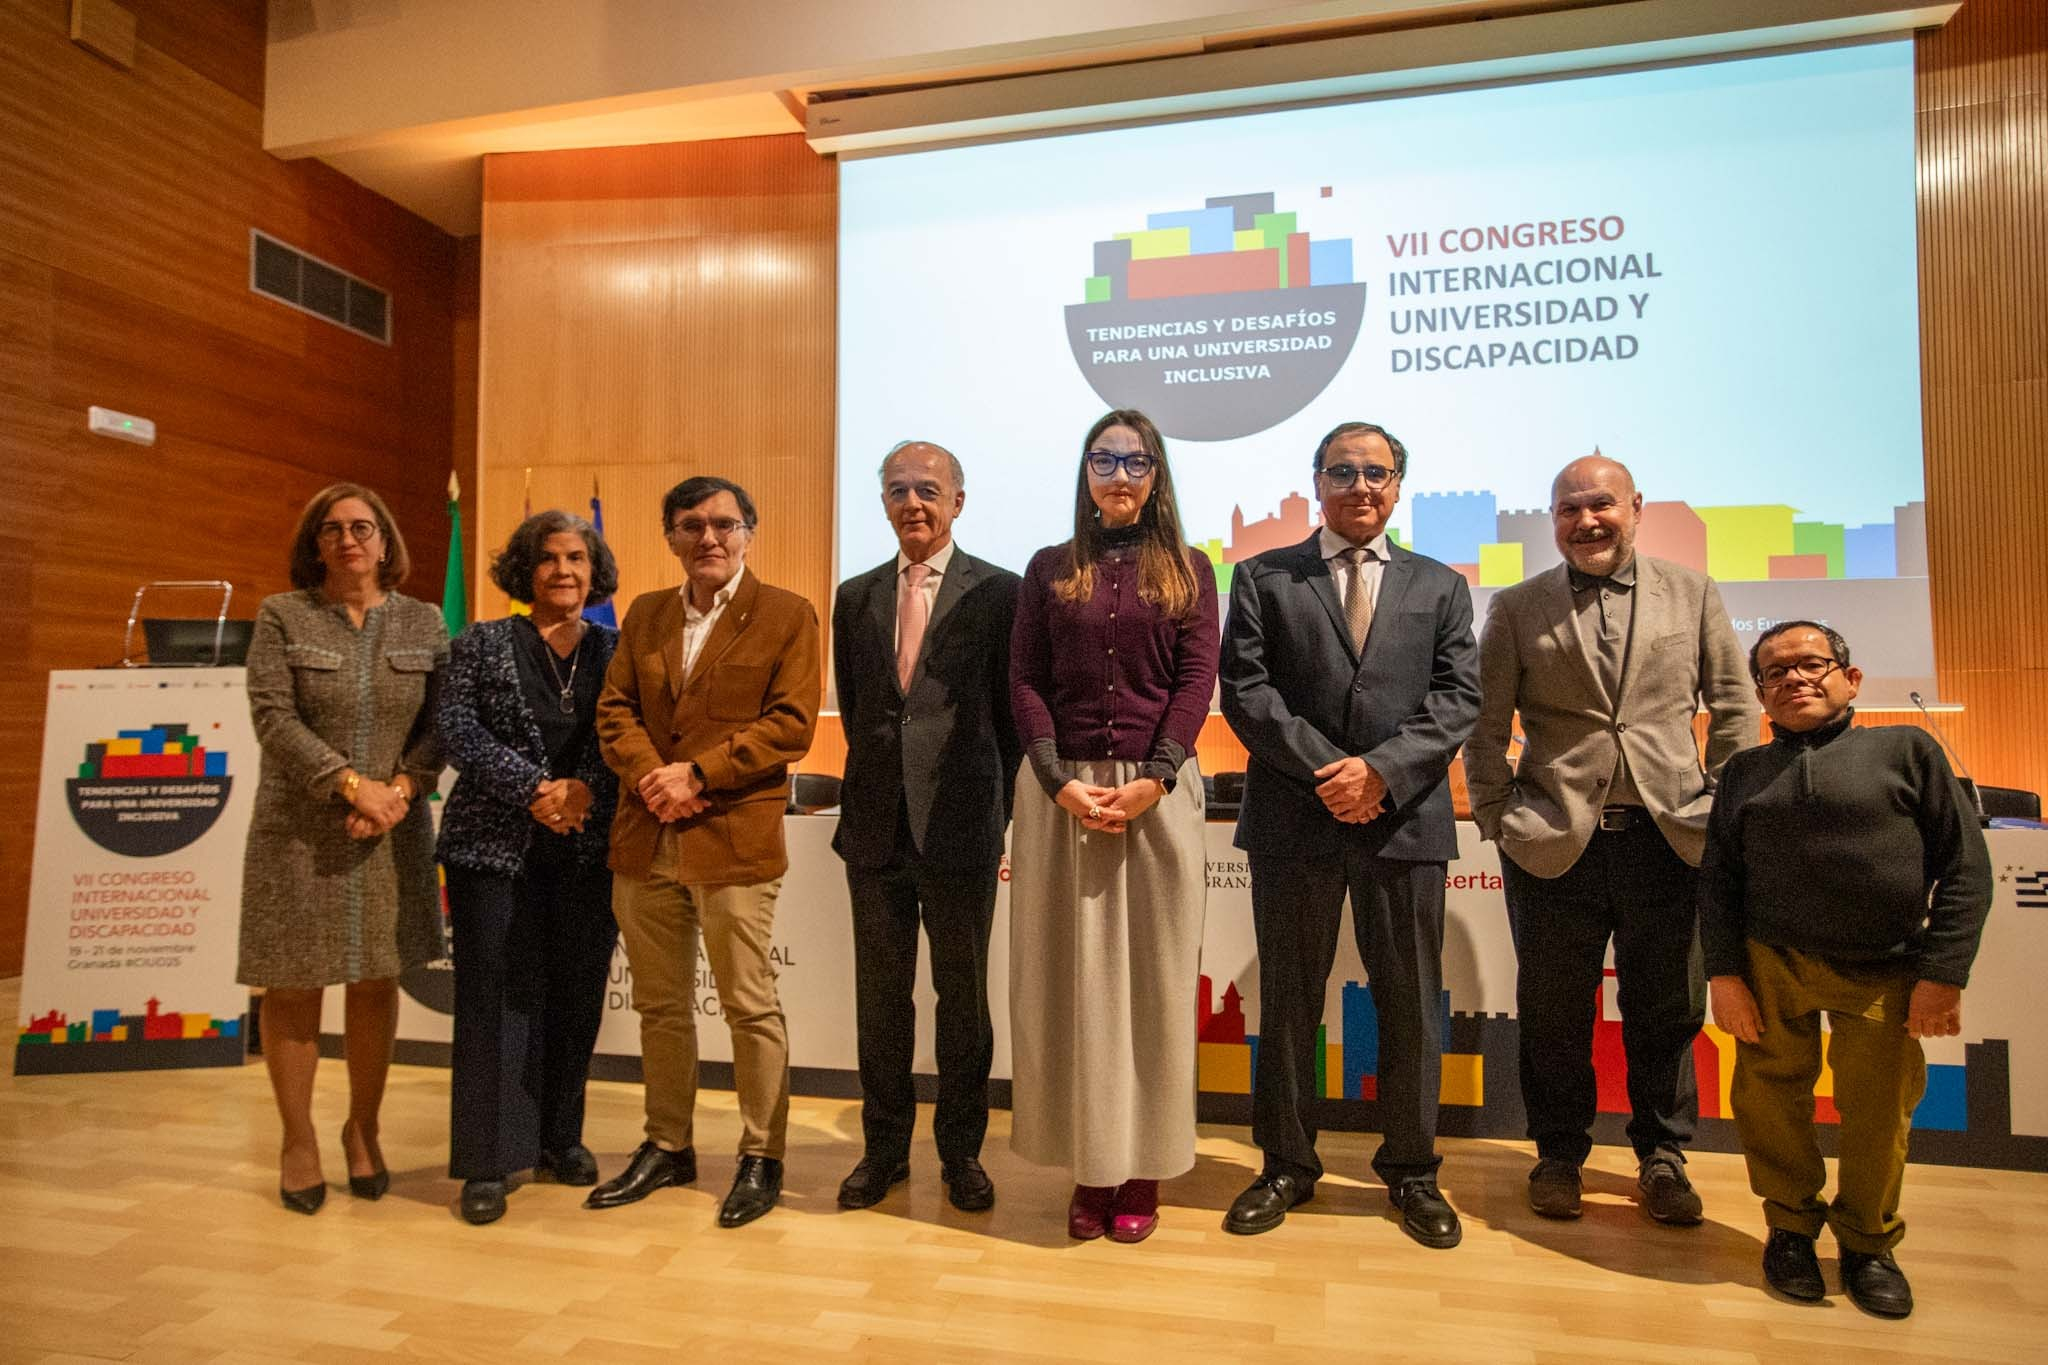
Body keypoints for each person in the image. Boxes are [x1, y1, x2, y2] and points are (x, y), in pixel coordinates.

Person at [1465, 454, 1758, 1224]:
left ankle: (1662, 1155)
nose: (1586, 520)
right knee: (1554, 1009)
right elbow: (1486, 722)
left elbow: (1734, 703)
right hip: (1554, 840)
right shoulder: (1518, 605)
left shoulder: (1691, 592)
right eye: (1568, 509)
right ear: (1552, 519)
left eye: (1601, 505)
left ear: (1636, 507)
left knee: (1666, 1006)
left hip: (1670, 837)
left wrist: (1721, 805)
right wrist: (1497, 813)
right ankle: (1558, 1152)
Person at [1218, 421, 1481, 1249]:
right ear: (1317, 480)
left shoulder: (1441, 585)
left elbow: (1457, 699)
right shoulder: (1262, 576)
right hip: (1296, 819)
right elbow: (1248, 693)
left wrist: (1382, 773)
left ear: (1399, 485)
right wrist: (1333, 771)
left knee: (1408, 1004)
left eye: (1377, 472)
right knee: (1290, 1001)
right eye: (1343, 471)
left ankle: (1411, 1171)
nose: (1360, 485)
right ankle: (1286, 1164)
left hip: (1404, 822)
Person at [1700, 621, 1989, 1317]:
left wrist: (1942, 972)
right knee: (1769, 1104)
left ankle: (1868, 1241)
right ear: (1761, 696)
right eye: (1776, 673)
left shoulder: (1908, 751)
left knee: (1878, 1111)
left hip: (1885, 966)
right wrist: (1725, 974)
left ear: (1850, 679)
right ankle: (1791, 1229)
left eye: (1812, 665)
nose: (1795, 679)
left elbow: (1965, 868)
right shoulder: (1742, 769)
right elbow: (1719, 881)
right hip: (1772, 962)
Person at [1008, 409, 1219, 1244]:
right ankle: (1088, 1168)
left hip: (1155, 798)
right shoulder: (1050, 567)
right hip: (1062, 799)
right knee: (1070, 991)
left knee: (1153, 993)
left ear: (1158, 474)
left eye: (1136, 460)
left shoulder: (1190, 569)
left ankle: (1141, 1170)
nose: (1120, 474)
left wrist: (1156, 777)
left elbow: (1197, 680)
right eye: (1105, 459)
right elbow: (1024, 679)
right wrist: (1057, 779)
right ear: (1086, 472)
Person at [587, 476, 820, 1228]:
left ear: (749, 531)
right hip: (645, 835)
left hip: (732, 837)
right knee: (660, 1006)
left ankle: (762, 1154)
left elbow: (790, 724)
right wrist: (652, 777)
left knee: (749, 1005)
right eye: (691, 525)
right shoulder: (647, 612)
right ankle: (668, 1144)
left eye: (724, 523)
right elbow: (614, 707)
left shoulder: (787, 613)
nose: (708, 537)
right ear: (671, 537)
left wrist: (697, 774)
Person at [239, 482, 448, 1213]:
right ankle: (298, 1140)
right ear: (315, 543)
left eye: (363, 526)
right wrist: (349, 785)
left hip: (393, 826)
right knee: (293, 984)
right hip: (299, 831)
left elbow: (440, 723)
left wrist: (398, 790)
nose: (348, 539)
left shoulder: (424, 620)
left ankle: (364, 1127)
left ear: (386, 541)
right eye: (332, 529)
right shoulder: (283, 615)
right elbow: (273, 715)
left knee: (374, 979)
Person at [831, 441, 1021, 1213]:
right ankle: (883, 1150)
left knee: (962, 997)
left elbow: (1010, 717)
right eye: (899, 489)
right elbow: (859, 706)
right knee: (881, 1000)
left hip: (961, 827)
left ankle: (962, 1152)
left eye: (929, 489)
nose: (914, 501)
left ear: (958, 501)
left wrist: (996, 807)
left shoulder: (1003, 593)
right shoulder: (855, 595)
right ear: (882, 502)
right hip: (875, 827)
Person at [436, 510, 622, 1225]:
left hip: (586, 847)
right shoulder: (480, 643)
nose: (564, 571)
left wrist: (583, 792)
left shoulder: (615, 645)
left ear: (594, 569)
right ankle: (487, 1158)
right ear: (525, 570)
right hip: (492, 846)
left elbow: (627, 731)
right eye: (547, 558)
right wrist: (534, 789)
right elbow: (457, 728)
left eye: (576, 557)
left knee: (576, 997)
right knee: (493, 1001)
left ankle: (558, 1139)